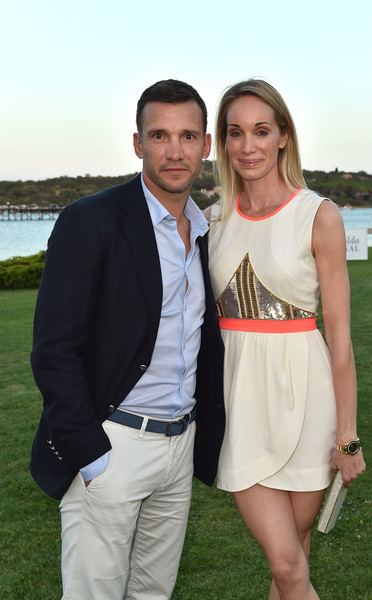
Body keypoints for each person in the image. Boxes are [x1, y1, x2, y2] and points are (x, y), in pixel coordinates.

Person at [29, 78, 225, 600]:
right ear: (138, 144)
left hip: (178, 446)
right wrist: (92, 456)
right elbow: (54, 349)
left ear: (206, 146)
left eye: (188, 136)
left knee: (153, 593)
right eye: (159, 135)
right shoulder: (91, 221)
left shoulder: (205, 233)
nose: (175, 150)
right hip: (113, 444)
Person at [208, 79, 366, 600]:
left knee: (291, 562)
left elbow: (339, 338)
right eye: (235, 133)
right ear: (223, 142)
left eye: (260, 131)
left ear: (283, 137)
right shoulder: (214, 221)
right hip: (240, 409)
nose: (247, 145)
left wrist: (347, 437)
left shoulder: (318, 215)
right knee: (288, 565)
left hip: (308, 404)